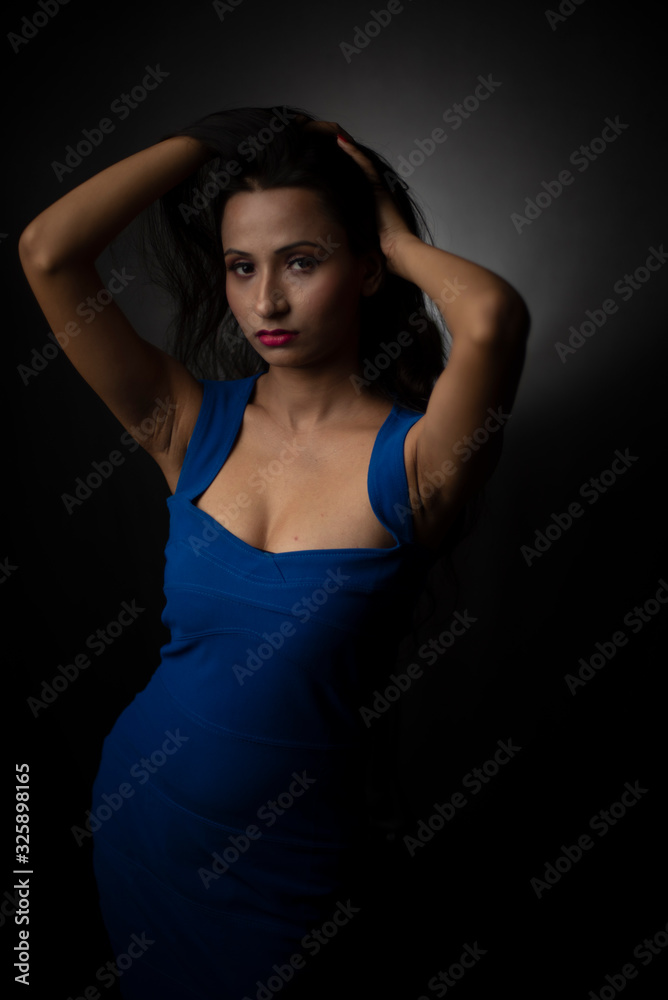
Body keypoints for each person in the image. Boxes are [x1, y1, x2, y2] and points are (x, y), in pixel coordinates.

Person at [18, 105, 529, 998]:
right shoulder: (189, 423)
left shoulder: (414, 462)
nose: (267, 301)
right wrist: (218, 139)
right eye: (242, 268)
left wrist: (395, 236)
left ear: (365, 269)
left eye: (303, 261)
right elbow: (48, 252)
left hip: (290, 872)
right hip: (142, 826)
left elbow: (490, 319)